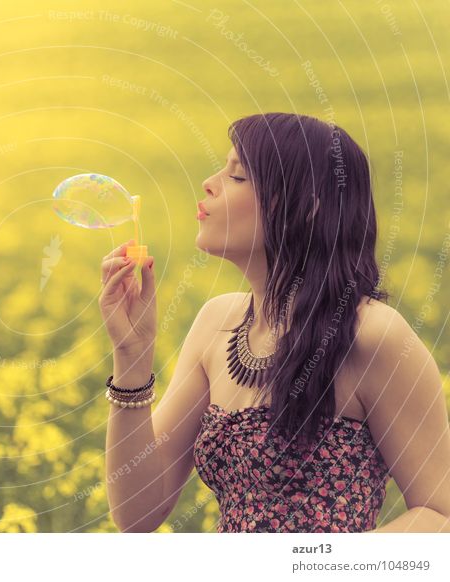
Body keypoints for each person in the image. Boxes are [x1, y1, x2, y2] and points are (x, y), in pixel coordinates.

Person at [98, 112, 450, 533]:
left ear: (307, 209)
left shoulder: (373, 335)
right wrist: (132, 357)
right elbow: (137, 512)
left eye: (238, 176)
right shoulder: (217, 323)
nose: (209, 183)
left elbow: (441, 515)